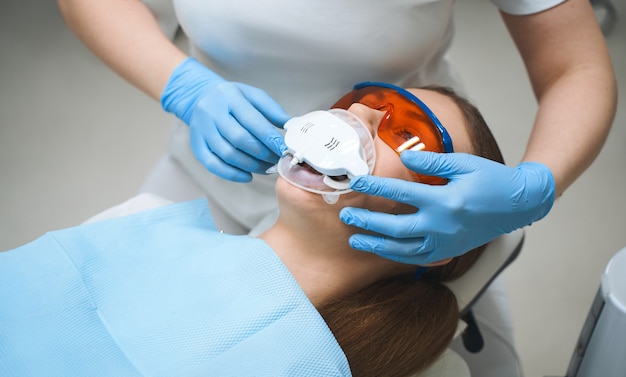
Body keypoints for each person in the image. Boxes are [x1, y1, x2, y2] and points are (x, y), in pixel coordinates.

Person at [0, 85, 503, 377]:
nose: (358, 114)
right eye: (361, 99)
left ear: (445, 236)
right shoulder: (139, 218)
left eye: (408, 136)